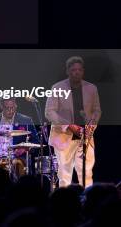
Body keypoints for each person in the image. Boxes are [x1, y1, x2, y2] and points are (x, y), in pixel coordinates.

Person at [45, 56, 101, 187]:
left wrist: (91, 127)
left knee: (87, 173)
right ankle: (64, 204)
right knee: (64, 175)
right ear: (68, 71)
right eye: (73, 70)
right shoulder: (57, 87)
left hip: (85, 135)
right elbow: (49, 112)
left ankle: (88, 203)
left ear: (83, 71)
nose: (77, 72)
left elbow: (97, 110)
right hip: (63, 136)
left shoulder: (91, 88)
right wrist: (69, 126)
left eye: (79, 70)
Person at [0, 98, 38, 178]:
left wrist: (24, 149)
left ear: (16, 106)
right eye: (7, 108)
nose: (10, 111)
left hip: (17, 157)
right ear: (1, 107)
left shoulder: (25, 120)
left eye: (12, 108)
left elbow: (35, 141)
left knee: (17, 164)